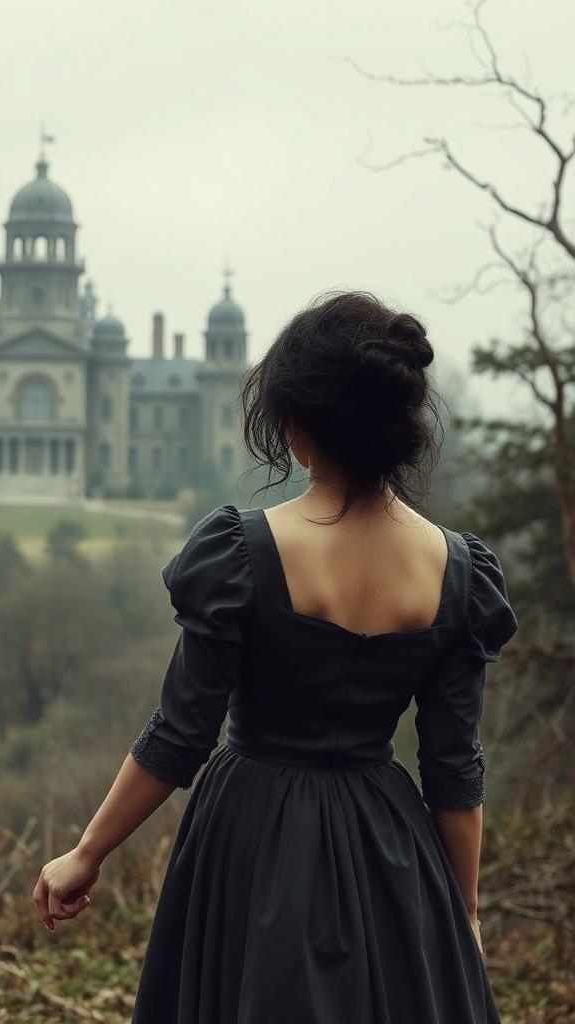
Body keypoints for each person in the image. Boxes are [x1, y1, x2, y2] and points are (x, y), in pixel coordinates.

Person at [31, 291, 519, 1023]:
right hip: (389, 850)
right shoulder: (458, 572)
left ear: (296, 426)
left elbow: (179, 734)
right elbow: (453, 768)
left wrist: (88, 851)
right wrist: (464, 912)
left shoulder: (242, 554)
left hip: (250, 837)